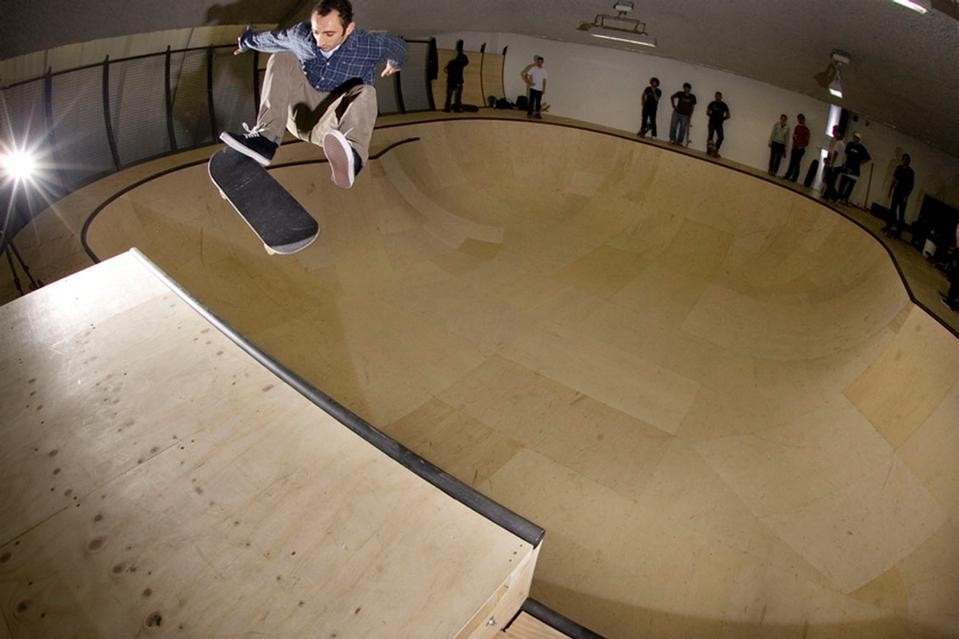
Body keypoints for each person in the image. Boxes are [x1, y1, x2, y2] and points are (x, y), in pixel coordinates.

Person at [218, 0, 407, 190]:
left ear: (349, 28)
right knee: (282, 56)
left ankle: (353, 157)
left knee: (366, 92)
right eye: (317, 32)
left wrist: (394, 64)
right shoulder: (301, 35)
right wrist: (245, 41)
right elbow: (272, 39)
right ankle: (265, 139)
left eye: (329, 34)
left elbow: (399, 48)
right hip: (299, 114)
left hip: (331, 124)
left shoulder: (368, 44)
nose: (320, 41)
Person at [883, 153, 915, 238]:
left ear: (909, 161)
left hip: (903, 195)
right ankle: (888, 226)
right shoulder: (899, 168)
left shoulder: (911, 172)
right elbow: (894, 179)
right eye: (903, 159)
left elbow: (911, 186)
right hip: (896, 192)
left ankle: (899, 231)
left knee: (901, 214)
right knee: (892, 210)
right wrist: (890, 190)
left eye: (906, 159)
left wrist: (906, 196)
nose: (905, 161)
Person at [837, 132, 871, 204]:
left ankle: (845, 199)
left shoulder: (861, 148)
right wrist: (845, 163)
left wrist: (860, 163)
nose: (855, 139)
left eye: (856, 138)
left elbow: (868, 158)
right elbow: (846, 154)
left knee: (850, 186)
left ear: (859, 139)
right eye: (854, 137)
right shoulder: (850, 144)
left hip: (855, 169)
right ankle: (839, 197)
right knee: (842, 183)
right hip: (847, 167)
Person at [783, 113, 810, 182]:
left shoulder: (806, 129)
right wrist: (793, 146)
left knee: (797, 163)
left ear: (803, 120)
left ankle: (794, 178)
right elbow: (794, 137)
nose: (799, 120)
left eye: (801, 119)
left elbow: (807, 141)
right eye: (798, 119)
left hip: (800, 149)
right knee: (791, 162)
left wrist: (801, 146)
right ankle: (788, 175)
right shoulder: (797, 127)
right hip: (795, 147)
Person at [443, 45, 469, 113]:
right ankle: (457, 109)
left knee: (449, 96)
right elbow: (466, 62)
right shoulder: (461, 63)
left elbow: (446, 70)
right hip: (458, 82)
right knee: (458, 97)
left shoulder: (452, 62)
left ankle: (447, 109)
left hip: (451, 81)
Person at [822, 126, 845, 201]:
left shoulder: (838, 143)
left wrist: (831, 164)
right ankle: (826, 196)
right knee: (830, 181)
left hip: (835, 165)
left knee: (829, 181)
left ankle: (835, 197)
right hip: (837, 165)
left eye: (836, 132)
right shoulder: (842, 144)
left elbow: (835, 154)